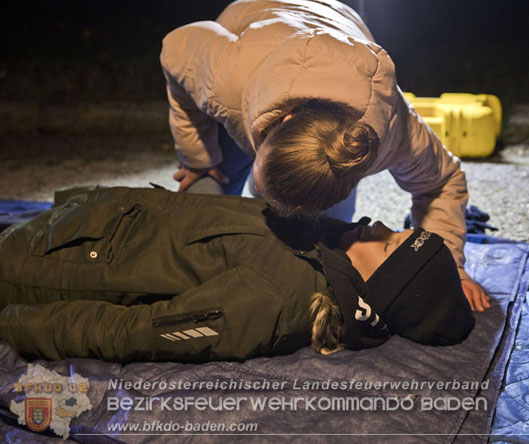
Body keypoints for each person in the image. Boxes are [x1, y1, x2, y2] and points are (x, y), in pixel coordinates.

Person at [160, 0, 490, 312]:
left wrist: (449, 268)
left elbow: (443, 182)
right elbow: (176, 47)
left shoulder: (395, 130)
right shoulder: (226, 76)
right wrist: (197, 156)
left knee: (328, 237)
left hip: (336, 32)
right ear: (282, 121)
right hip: (257, 28)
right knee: (207, 194)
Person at [0, 187, 474, 362]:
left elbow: (129, 332)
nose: (382, 225)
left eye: (390, 244)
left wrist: (12, 322)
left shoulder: (279, 298)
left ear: (378, 291)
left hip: (48, 266)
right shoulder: (331, 244)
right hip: (75, 227)